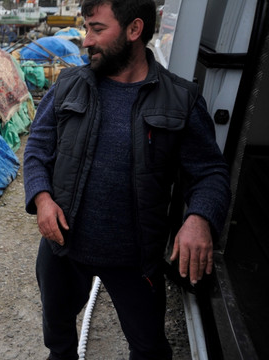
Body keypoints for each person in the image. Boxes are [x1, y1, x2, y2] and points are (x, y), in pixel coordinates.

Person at [23, 0, 231, 359]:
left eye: (97, 29)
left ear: (134, 30)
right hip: (63, 251)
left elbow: (210, 172)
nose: (86, 41)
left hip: (135, 260)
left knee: (149, 348)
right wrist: (41, 198)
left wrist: (199, 220)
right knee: (58, 341)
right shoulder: (69, 85)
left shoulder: (180, 99)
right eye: (86, 28)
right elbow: (37, 150)